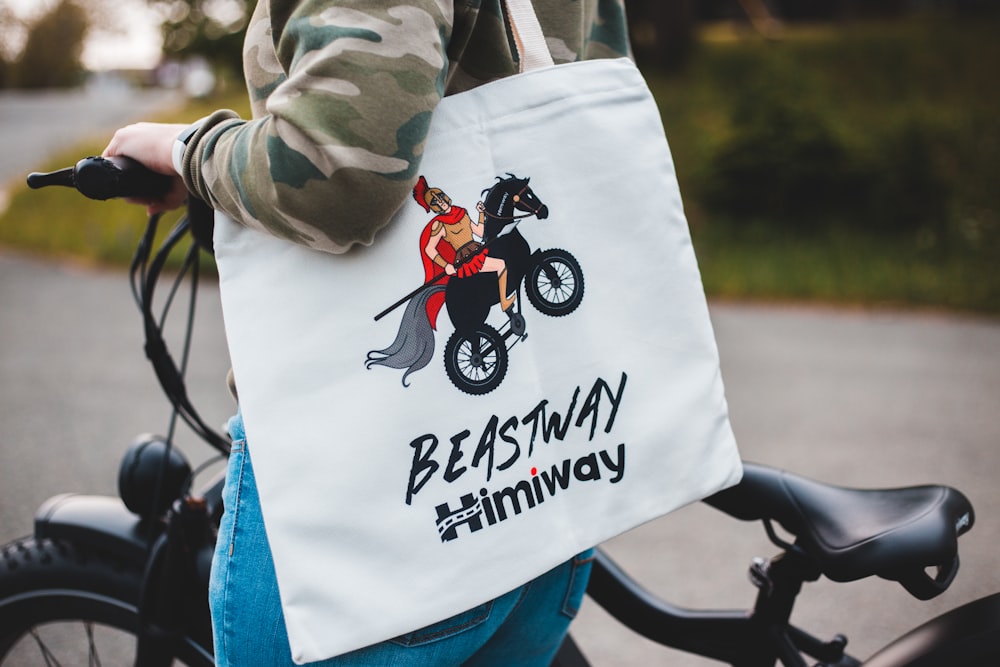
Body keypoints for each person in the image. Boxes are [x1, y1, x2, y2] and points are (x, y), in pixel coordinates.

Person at [103, 2, 631, 665]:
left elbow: (334, 172)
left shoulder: (454, 226)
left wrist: (190, 153)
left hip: (375, 488)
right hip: (542, 482)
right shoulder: (447, 227)